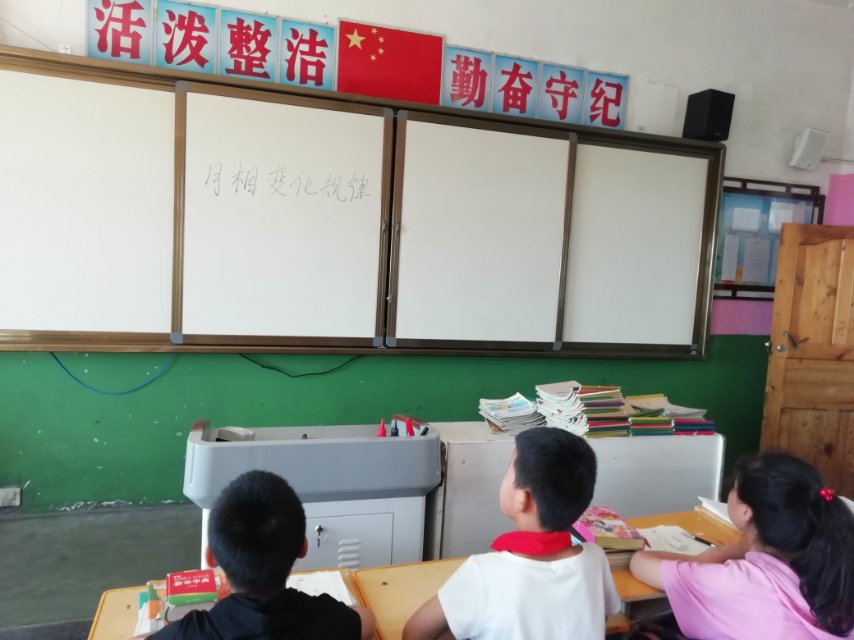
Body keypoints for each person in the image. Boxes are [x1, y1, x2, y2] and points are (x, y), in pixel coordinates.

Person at [403, 427, 620, 640]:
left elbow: (414, 633)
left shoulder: (483, 573)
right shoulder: (595, 557)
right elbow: (602, 616)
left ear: (521, 500)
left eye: (507, 472)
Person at [629, 449, 854, 640]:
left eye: (734, 488)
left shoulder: (735, 581)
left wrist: (711, 556)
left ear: (747, 512)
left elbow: (640, 563)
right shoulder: (834, 563)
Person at [138, 469, 375, 640]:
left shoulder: (192, 632)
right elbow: (367, 621)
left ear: (211, 557)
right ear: (303, 548)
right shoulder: (325, 620)